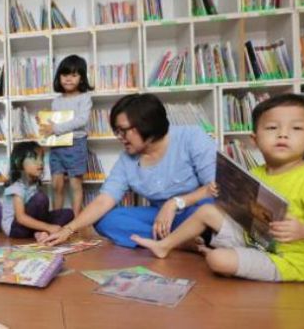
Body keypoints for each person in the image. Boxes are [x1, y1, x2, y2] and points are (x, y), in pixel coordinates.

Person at [132, 94, 304, 282]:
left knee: (217, 260)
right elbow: (242, 212)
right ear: (254, 139)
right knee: (207, 210)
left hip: (288, 259)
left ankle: (233, 258)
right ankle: (164, 245)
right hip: (254, 239)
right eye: (272, 128)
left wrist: (303, 231)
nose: (283, 134)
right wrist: (226, 196)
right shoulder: (256, 173)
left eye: (296, 128)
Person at [43, 93, 216, 247]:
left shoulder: (192, 137)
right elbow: (104, 200)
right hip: (159, 218)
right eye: (116, 131)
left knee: (210, 209)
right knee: (106, 220)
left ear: (146, 125)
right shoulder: (127, 160)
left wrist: (176, 203)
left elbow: (215, 188)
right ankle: (179, 242)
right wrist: (68, 229)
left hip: (194, 211)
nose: (119, 137)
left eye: (123, 131)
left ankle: (177, 238)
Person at [39, 55, 93, 217]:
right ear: (59, 77)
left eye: (74, 75)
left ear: (82, 78)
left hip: (76, 144)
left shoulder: (84, 98)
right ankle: (57, 218)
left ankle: (76, 220)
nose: (68, 79)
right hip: (57, 146)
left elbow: (81, 120)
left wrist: (55, 128)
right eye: (64, 75)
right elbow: (54, 123)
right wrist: (43, 121)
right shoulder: (56, 101)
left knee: (76, 184)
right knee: (57, 185)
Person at [1, 142, 74, 240]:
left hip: (30, 223)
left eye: (41, 158)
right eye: (34, 158)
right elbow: (21, 218)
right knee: (41, 198)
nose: (40, 163)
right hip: (16, 228)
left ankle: (40, 232)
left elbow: (39, 212)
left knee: (68, 213)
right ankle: (41, 232)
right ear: (19, 162)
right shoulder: (17, 186)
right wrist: (49, 227)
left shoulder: (33, 183)